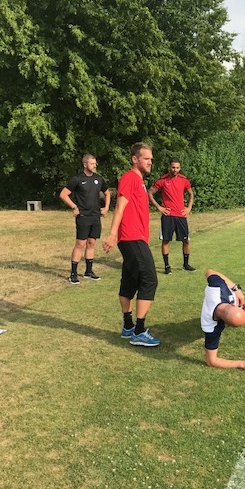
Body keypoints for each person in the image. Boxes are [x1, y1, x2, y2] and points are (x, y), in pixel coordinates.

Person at [102, 142, 160, 347]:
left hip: (135, 238)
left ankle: (128, 326)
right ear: (135, 159)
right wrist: (112, 234)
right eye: (146, 158)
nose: (150, 162)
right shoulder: (130, 178)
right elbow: (120, 207)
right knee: (149, 280)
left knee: (130, 281)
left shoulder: (140, 181)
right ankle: (139, 331)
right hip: (131, 238)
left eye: (151, 159)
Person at [59, 153, 111, 285]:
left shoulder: (98, 179)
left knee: (91, 243)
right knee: (80, 244)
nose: (94, 165)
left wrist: (106, 208)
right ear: (85, 164)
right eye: (92, 163)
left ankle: (88, 271)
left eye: (95, 163)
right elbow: (63, 194)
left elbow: (107, 193)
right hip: (83, 216)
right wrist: (74, 206)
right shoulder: (77, 179)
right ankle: (73, 274)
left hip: (95, 216)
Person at [201, 269, 245, 372]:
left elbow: (209, 271)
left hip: (226, 303)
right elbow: (211, 361)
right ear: (225, 324)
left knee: (236, 300)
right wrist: (242, 363)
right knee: (235, 308)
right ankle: (243, 309)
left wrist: (235, 288)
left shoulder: (216, 286)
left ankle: (243, 308)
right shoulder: (211, 328)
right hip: (221, 313)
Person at [148, 157, 195, 274]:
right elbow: (149, 193)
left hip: (181, 216)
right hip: (168, 216)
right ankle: (167, 266)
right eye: (173, 167)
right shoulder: (162, 180)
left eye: (177, 168)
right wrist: (159, 207)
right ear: (169, 167)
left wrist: (188, 208)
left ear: (180, 168)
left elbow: (191, 194)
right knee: (166, 240)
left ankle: (186, 265)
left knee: (186, 241)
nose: (175, 170)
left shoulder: (184, 180)